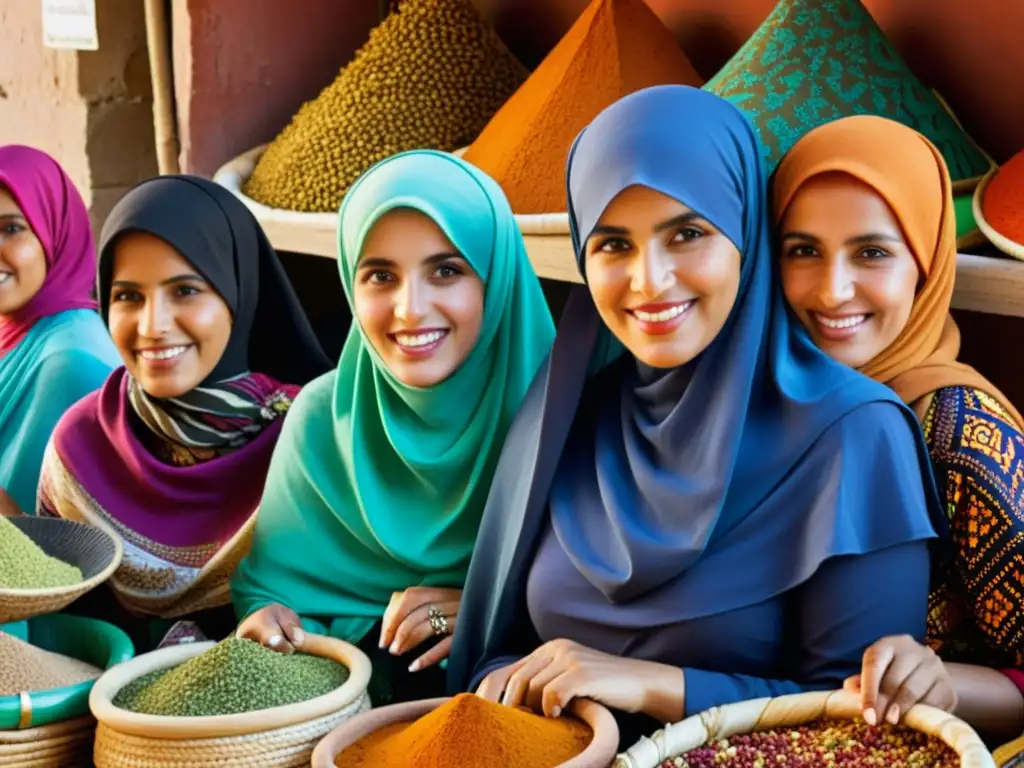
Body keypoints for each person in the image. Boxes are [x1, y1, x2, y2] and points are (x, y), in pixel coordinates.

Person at [447, 86, 944, 743]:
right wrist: (512, 678)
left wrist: (651, 683)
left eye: (687, 234)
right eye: (614, 244)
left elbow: (862, 728)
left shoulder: (855, 435)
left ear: (745, 234)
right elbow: (505, 647)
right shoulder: (573, 412)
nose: (650, 280)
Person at [231, 150, 555, 704]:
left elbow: (608, 611)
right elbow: (269, 590)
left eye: (447, 271)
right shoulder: (322, 420)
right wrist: (271, 622)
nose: (410, 310)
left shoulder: (562, 418)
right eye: (380, 275)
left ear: (496, 279)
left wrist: (488, 609)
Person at [774, 114, 1024, 741]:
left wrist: (941, 681)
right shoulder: (766, 406)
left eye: (872, 253)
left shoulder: (958, 433)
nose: (833, 291)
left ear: (927, 262)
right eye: (804, 250)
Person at [37, 175, 332, 651]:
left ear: (239, 292)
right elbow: (65, 636)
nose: (153, 326)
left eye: (186, 291)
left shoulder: (313, 436)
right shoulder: (80, 445)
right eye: (128, 296)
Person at [0, 145, 119, 515]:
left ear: (55, 231)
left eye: (11, 229)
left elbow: (43, 543)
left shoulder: (71, 363)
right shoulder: (17, 329)